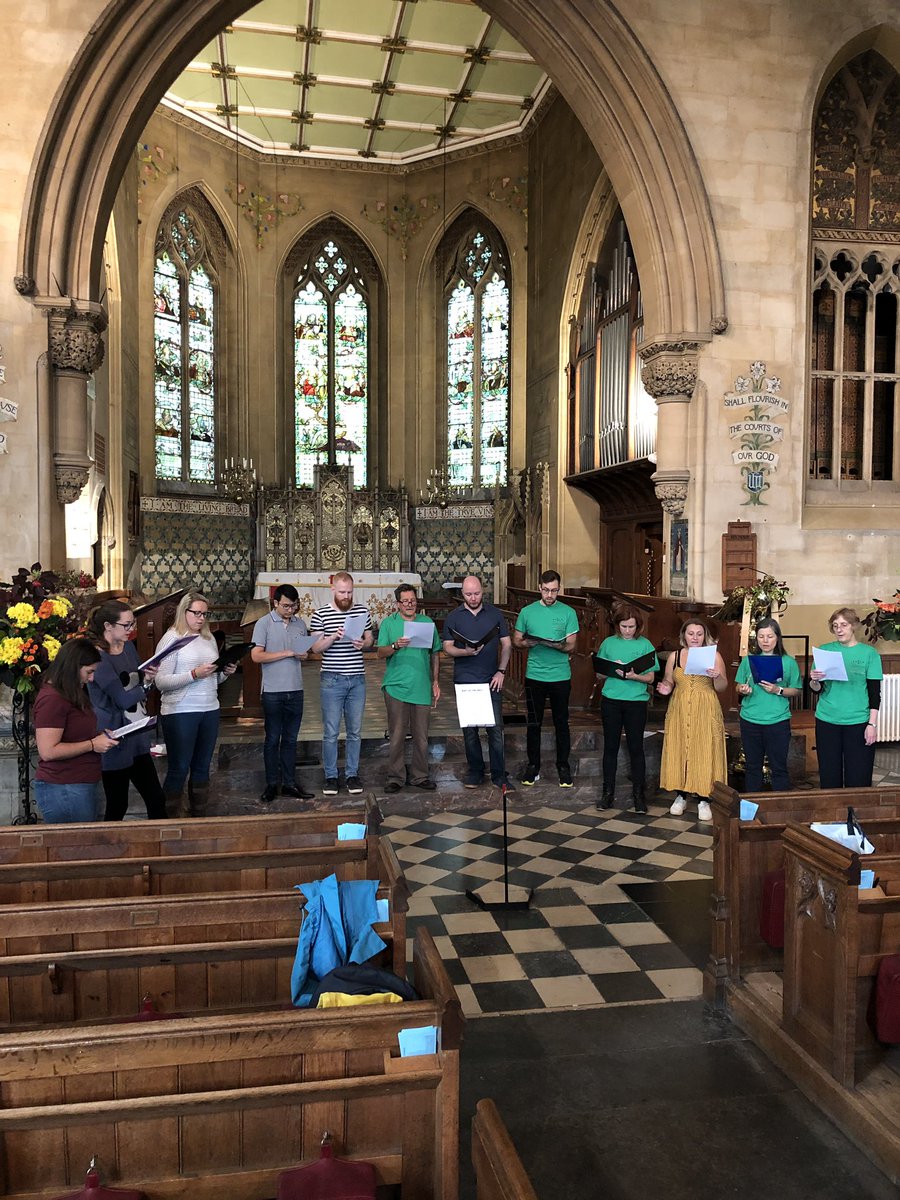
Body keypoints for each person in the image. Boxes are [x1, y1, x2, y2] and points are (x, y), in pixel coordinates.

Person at [154, 591, 237, 816]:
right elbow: (160, 682)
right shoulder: (172, 638)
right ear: (185, 612)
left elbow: (212, 678)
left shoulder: (208, 638)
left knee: (202, 768)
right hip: (181, 710)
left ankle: (198, 819)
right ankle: (170, 823)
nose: (201, 618)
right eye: (196, 613)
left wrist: (225, 673)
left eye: (204, 614)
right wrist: (193, 674)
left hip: (209, 708)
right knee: (180, 767)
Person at [87, 600, 168, 821]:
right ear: (108, 626)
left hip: (135, 731)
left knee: (155, 798)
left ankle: (158, 850)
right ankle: (112, 852)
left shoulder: (129, 647)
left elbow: (138, 681)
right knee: (117, 804)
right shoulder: (97, 658)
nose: (131, 630)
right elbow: (122, 699)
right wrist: (144, 686)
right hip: (114, 734)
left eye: (133, 624)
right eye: (127, 625)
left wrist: (148, 678)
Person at [32, 637, 117, 823]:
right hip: (63, 787)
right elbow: (48, 751)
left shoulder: (70, 692)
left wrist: (98, 737)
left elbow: (75, 732)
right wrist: (93, 744)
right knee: (74, 848)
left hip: (78, 782)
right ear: (73, 666)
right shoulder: (52, 699)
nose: (92, 678)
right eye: (89, 672)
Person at [442, 575, 513, 791]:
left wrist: (501, 671)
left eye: (477, 593)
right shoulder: (454, 617)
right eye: (468, 594)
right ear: (462, 594)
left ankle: (499, 775)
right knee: (470, 730)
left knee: (495, 730)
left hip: (491, 678)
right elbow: (447, 647)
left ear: (483, 591)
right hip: (465, 680)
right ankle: (475, 771)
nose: (473, 598)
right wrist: (464, 651)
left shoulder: (495, 614)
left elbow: (507, 644)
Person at [656, 618, 728, 822]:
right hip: (680, 706)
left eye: (699, 634)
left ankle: (704, 799)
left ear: (704, 636)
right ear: (683, 636)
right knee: (680, 747)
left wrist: (716, 676)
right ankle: (680, 796)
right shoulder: (674, 656)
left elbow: (722, 687)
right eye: (690, 633)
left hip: (705, 707)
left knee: (703, 748)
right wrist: (665, 688)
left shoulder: (714, 655)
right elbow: (669, 681)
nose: (694, 637)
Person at [512, 570, 579, 787]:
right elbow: (517, 641)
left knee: (561, 723)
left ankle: (563, 767)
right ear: (539, 588)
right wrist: (529, 643)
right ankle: (533, 766)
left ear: (559, 589)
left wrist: (558, 644)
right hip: (535, 675)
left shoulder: (568, 612)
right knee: (534, 723)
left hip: (560, 676)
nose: (550, 595)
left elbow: (571, 645)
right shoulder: (527, 612)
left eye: (554, 591)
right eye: (546, 590)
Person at [309, 571, 373, 795]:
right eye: (342, 592)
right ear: (333, 590)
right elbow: (315, 648)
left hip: (357, 678)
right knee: (331, 731)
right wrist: (333, 636)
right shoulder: (320, 614)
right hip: (332, 679)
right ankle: (330, 776)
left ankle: (352, 775)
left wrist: (362, 643)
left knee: (355, 731)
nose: (346, 596)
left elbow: (370, 639)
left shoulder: (362, 611)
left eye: (350, 592)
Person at [251, 584, 314, 804]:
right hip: (273, 691)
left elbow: (302, 653)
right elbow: (256, 656)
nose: (290, 610)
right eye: (286, 605)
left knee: (290, 740)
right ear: (275, 603)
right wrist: (288, 652)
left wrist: (302, 655)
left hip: (296, 689)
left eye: (294, 605)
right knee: (272, 739)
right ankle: (271, 784)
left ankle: (289, 783)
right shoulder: (263, 623)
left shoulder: (300, 624)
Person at [376, 584, 441, 793]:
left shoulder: (427, 622)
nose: (410, 604)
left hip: (421, 685)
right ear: (398, 604)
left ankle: (420, 776)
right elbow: (380, 653)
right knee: (397, 734)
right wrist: (395, 646)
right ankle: (395, 776)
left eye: (413, 600)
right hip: (395, 686)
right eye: (405, 601)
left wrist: (436, 681)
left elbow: (435, 653)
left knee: (421, 735)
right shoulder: (389, 623)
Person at [809, 606, 882, 788]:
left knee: (858, 776)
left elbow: (875, 693)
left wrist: (871, 724)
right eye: (835, 626)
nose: (839, 629)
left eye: (843, 624)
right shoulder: (825, 651)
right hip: (827, 720)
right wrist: (815, 680)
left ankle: (855, 814)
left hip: (858, 721)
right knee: (829, 775)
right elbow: (815, 689)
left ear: (854, 626)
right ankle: (832, 815)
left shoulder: (869, 654)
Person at [596, 604, 659, 813]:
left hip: (636, 701)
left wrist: (634, 676)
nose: (627, 630)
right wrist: (612, 668)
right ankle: (607, 794)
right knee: (610, 747)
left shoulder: (645, 645)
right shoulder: (608, 643)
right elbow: (599, 675)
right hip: (611, 699)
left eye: (631, 627)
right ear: (617, 625)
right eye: (624, 626)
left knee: (636, 748)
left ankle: (639, 796)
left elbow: (650, 677)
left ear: (638, 626)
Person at [735, 616, 802, 792]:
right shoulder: (748, 660)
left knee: (779, 768)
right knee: (752, 767)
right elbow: (738, 685)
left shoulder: (788, 662)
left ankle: (779, 811)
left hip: (777, 721)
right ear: (756, 638)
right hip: (750, 720)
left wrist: (778, 690)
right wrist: (743, 689)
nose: (765, 641)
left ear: (777, 638)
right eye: (761, 636)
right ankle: (751, 809)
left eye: (770, 636)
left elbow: (796, 689)